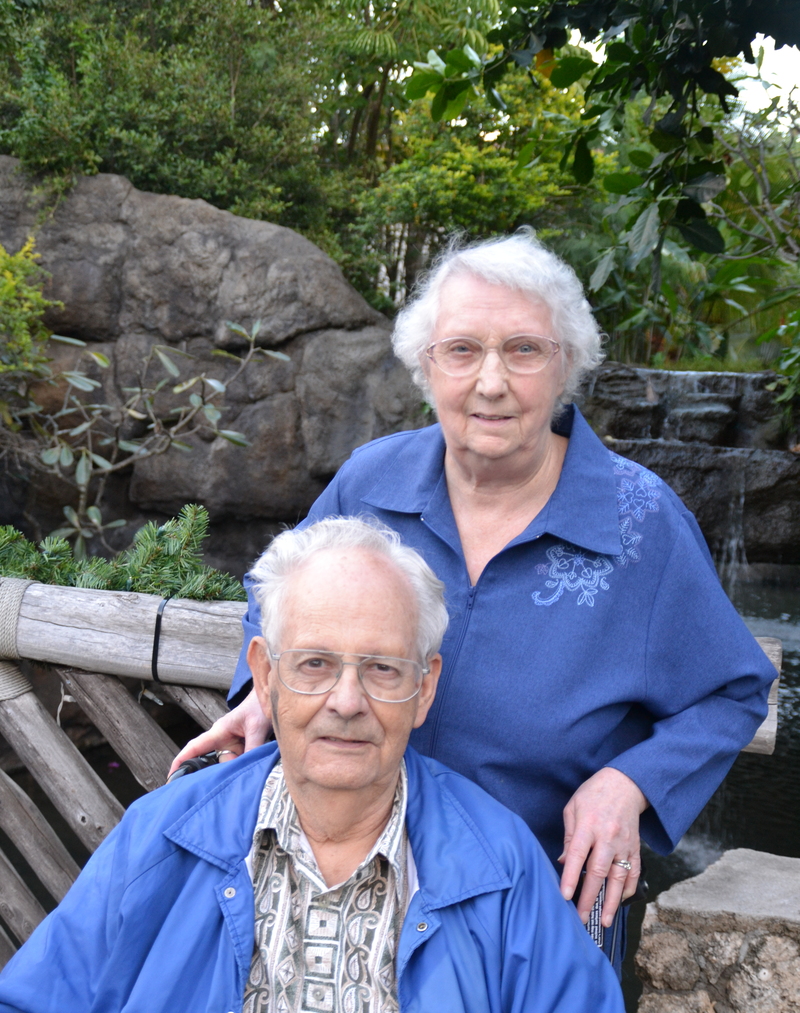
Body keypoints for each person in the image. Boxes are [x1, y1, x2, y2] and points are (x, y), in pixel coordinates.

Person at [0, 518, 671, 1013]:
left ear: (425, 688)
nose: (346, 703)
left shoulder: (500, 872)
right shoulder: (166, 837)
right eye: (315, 664)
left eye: (381, 668)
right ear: (265, 676)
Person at [171, 232, 776, 967]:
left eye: (523, 350)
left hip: (535, 910)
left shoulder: (640, 523)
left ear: (566, 366)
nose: (491, 381)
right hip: (343, 886)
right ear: (426, 367)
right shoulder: (370, 484)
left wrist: (631, 784)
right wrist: (265, 693)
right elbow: (277, 601)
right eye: (462, 350)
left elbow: (732, 691)